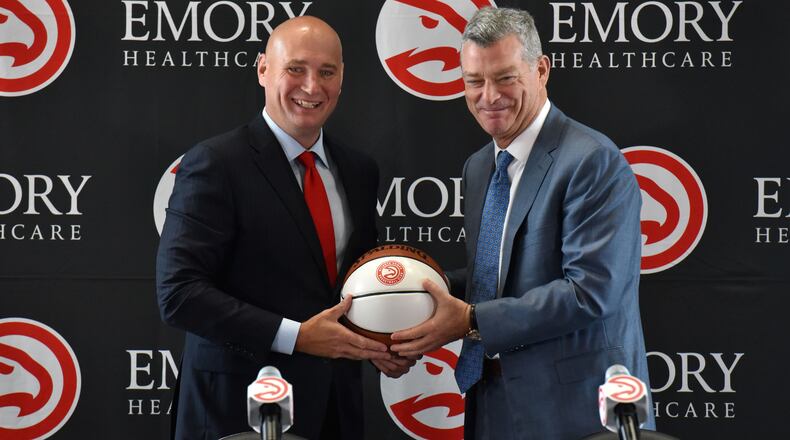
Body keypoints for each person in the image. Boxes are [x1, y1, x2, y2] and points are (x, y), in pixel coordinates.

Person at [391, 7, 655, 439]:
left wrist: (470, 320)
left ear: (541, 70)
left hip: (575, 411)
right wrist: (406, 298)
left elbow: (591, 292)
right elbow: (492, 279)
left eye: (505, 77)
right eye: (474, 81)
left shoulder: (592, 160)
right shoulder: (479, 167)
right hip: (491, 402)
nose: (488, 95)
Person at [156, 16, 412, 440]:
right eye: (296, 68)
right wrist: (297, 337)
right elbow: (178, 294)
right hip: (235, 413)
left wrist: (378, 342)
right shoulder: (215, 164)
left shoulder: (359, 171)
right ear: (263, 69)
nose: (312, 87)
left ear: (342, 78)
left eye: (326, 72)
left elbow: (355, 287)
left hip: (335, 414)